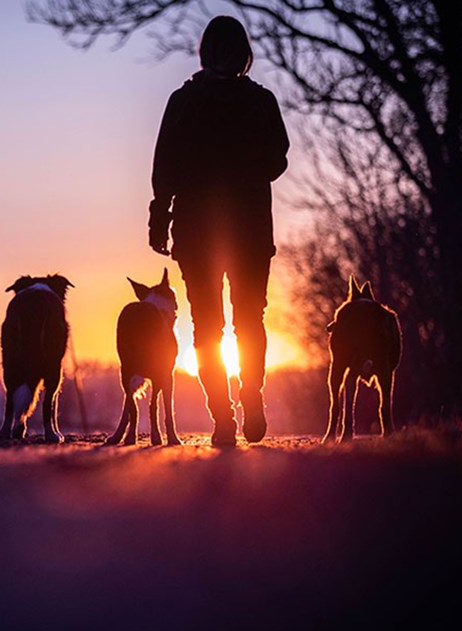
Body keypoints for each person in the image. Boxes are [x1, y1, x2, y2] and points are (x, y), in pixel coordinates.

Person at [148, 15, 289, 447]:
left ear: (204, 52)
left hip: (196, 230)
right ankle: (252, 398)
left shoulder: (184, 101)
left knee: (207, 327)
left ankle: (223, 420)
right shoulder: (261, 101)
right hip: (248, 228)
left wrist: (160, 217)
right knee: (250, 320)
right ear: (244, 53)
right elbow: (279, 159)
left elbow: (164, 166)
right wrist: (247, 172)